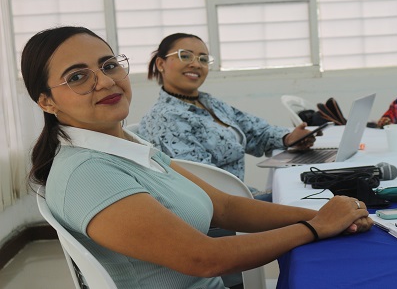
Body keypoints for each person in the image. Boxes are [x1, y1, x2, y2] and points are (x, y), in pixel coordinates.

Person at [22, 26, 372, 289]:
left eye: (109, 65)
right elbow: (204, 258)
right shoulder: (89, 173)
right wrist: (316, 227)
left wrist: (323, 216)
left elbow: (226, 207)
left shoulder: (127, 143)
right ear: (46, 102)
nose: (105, 82)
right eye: (78, 77)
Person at [137, 33, 316, 200]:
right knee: (307, 194)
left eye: (203, 59)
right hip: (222, 208)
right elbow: (204, 184)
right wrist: (258, 197)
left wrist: (289, 137)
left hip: (239, 196)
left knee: (311, 186)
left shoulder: (209, 103)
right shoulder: (166, 118)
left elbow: (255, 130)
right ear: (161, 64)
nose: (196, 64)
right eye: (185, 56)